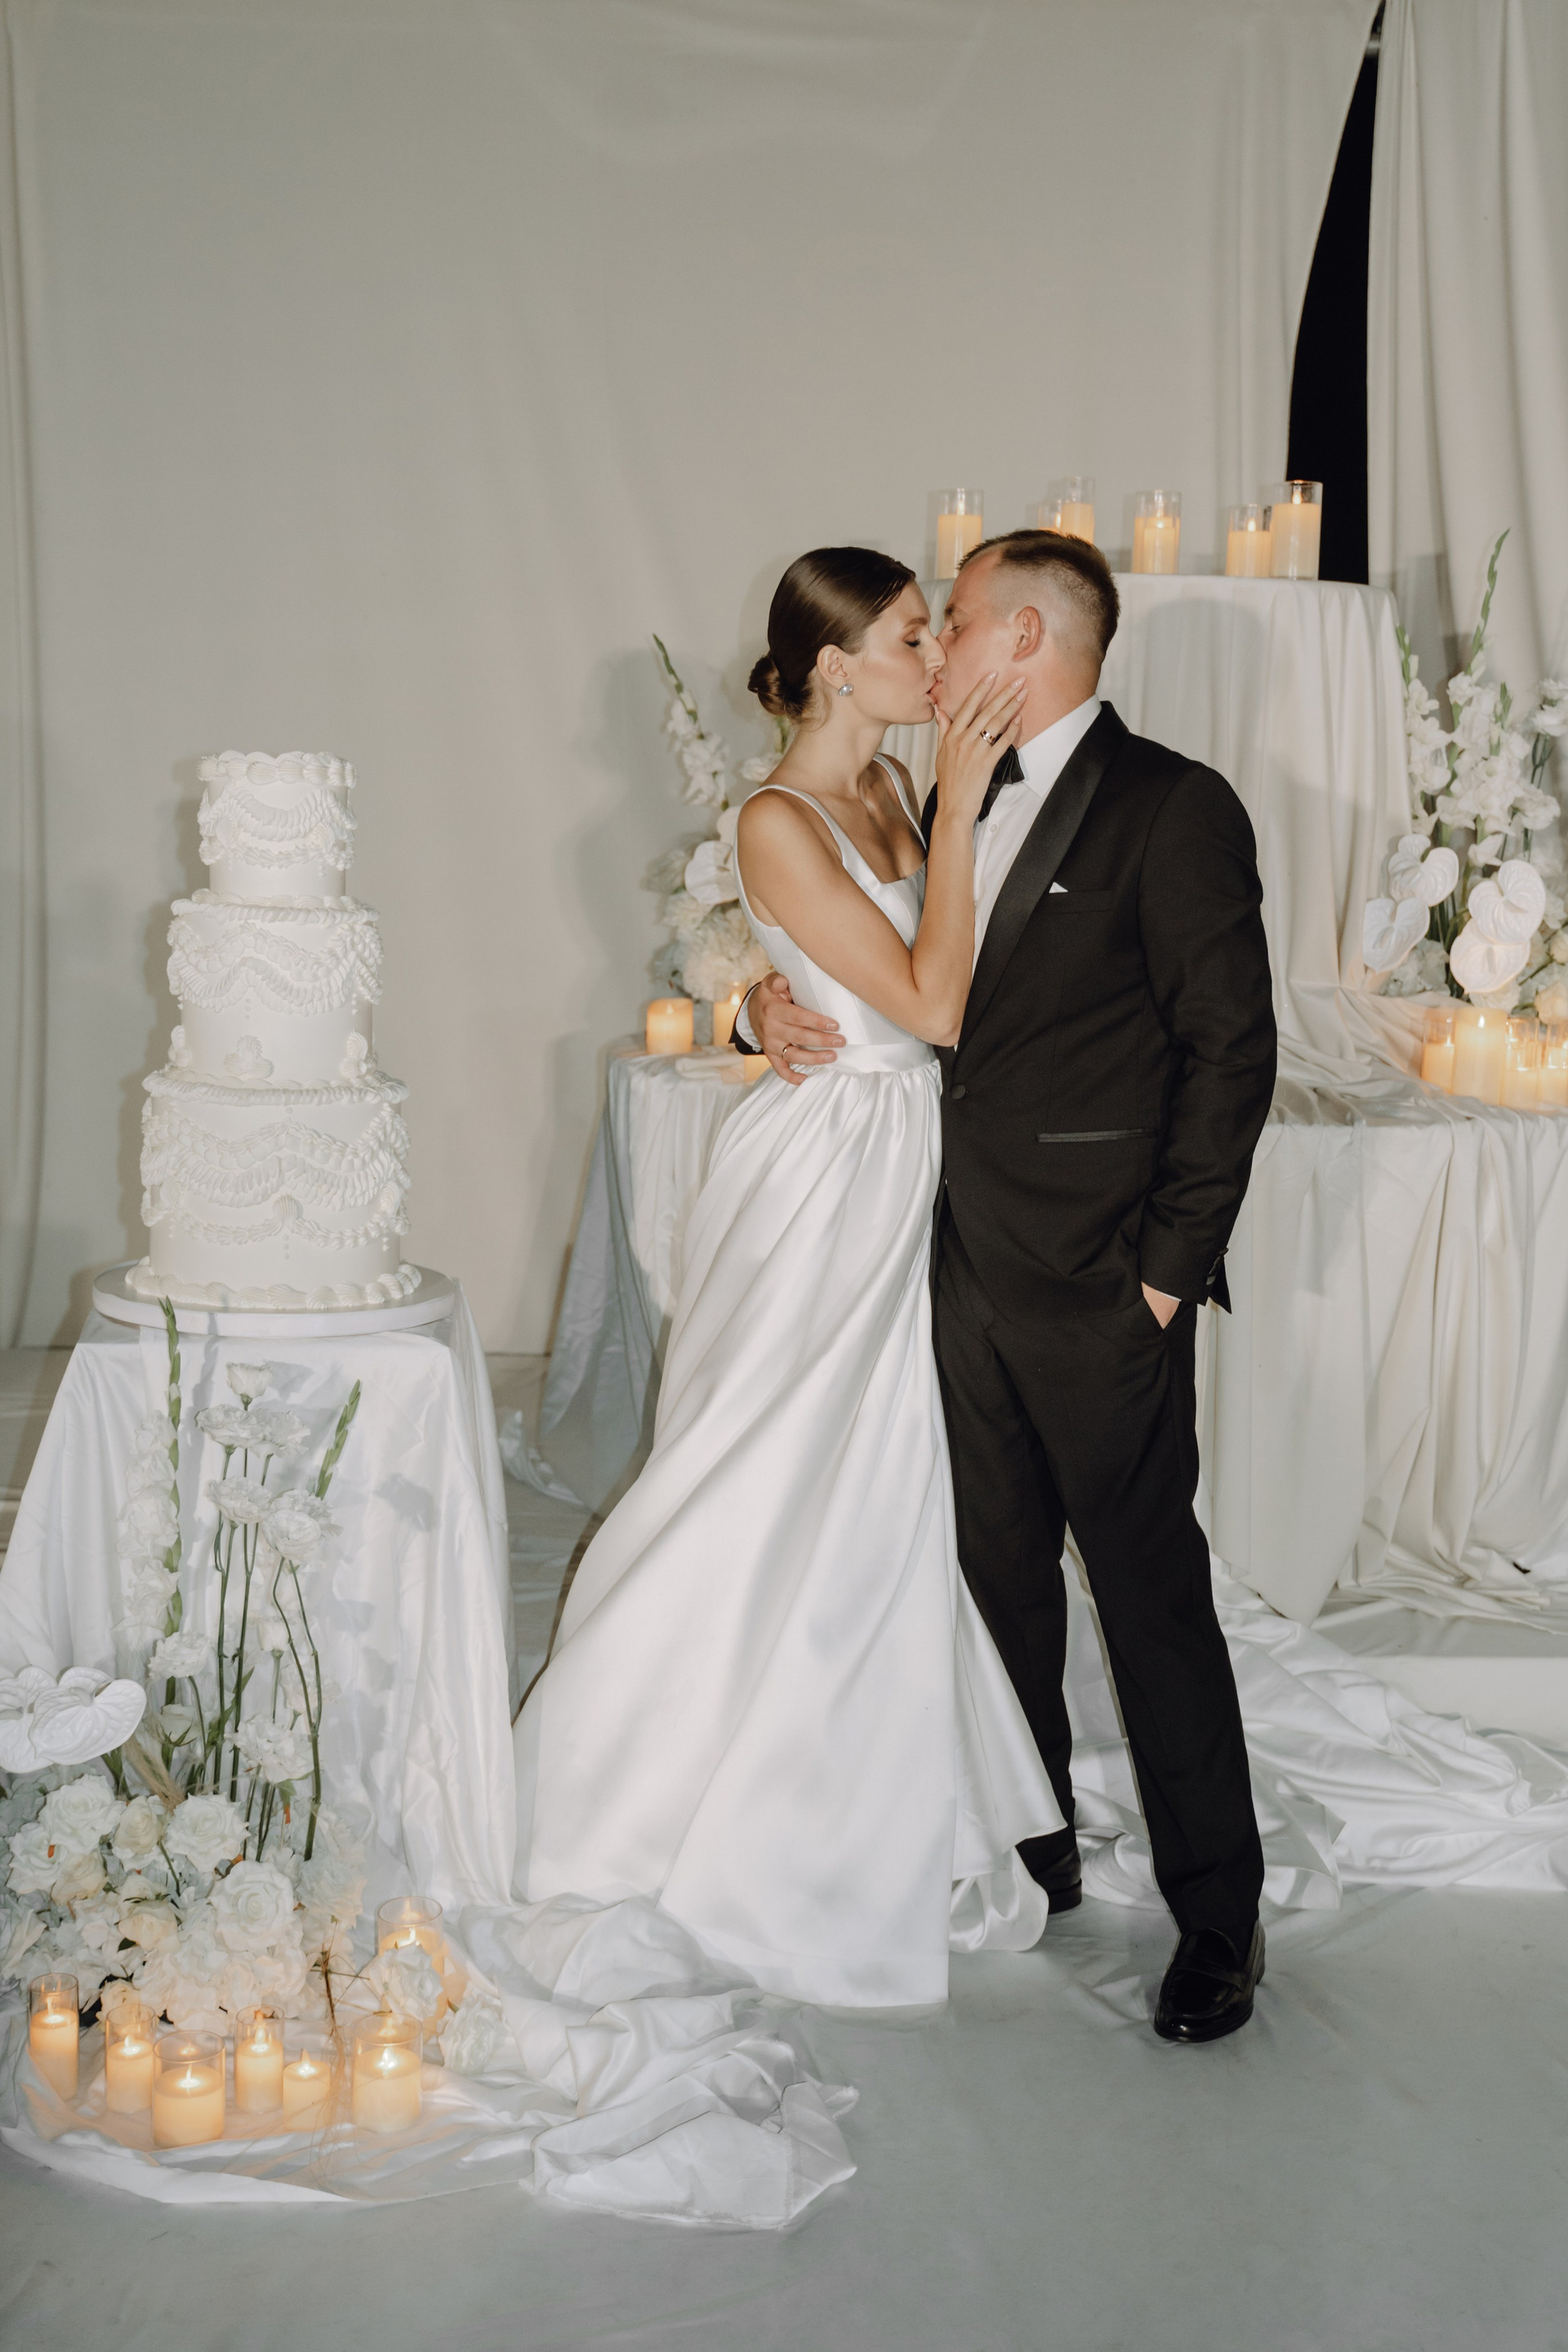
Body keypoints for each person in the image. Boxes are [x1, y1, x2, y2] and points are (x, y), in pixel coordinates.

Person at [739, 530, 1278, 2043]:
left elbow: (1233, 1053)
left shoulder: (1175, 804)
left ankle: (1219, 1915)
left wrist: (1168, 1273)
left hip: (1104, 1281)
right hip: (941, 1256)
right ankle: (1033, 1843)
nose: (939, 650)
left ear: (1026, 639)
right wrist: (755, 1006)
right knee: (995, 1584)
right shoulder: (931, 797)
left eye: (957, 621)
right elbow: (899, 990)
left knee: (1149, 1593)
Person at [511, 546, 1065, 2016]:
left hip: (894, 1154)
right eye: (910, 638)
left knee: (874, 1469)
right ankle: (619, 1773)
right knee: (752, 1459)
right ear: (834, 664)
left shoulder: (888, 787)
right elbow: (934, 1001)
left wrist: (776, 995)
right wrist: (951, 812)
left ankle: (853, 1765)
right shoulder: (776, 818)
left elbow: (903, 981)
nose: (936, 661)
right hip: (820, 1178)